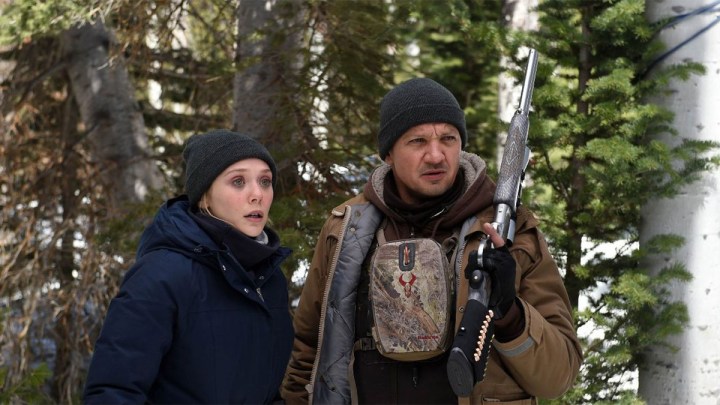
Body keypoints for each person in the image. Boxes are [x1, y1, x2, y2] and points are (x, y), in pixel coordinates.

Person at [282, 78, 582, 404]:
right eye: (418, 141)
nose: (436, 155)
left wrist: (511, 313)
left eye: (448, 139)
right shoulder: (346, 229)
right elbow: (306, 352)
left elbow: (559, 376)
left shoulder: (507, 231)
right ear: (388, 154)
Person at [84, 129, 293, 404]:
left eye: (265, 181)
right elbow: (113, 391)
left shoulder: (268, 278)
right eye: (238, 181)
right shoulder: (161, 274)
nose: (258, 194)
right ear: (204, 196)